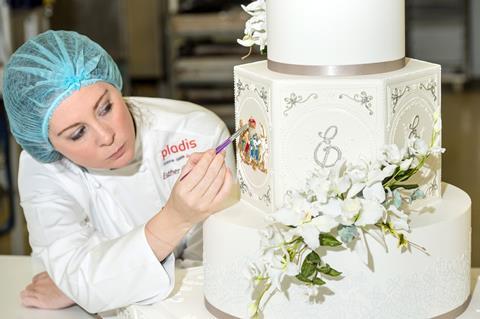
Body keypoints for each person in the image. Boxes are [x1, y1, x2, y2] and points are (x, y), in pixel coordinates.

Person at [2, 30, 235, 313]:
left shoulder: (196, 133)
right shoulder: (41, 169)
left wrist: (88, 287)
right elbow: (76, 274)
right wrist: (176, 219)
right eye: (77, 134)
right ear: (47, 144)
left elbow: (215, 267)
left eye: (106, 107)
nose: (106, 135)